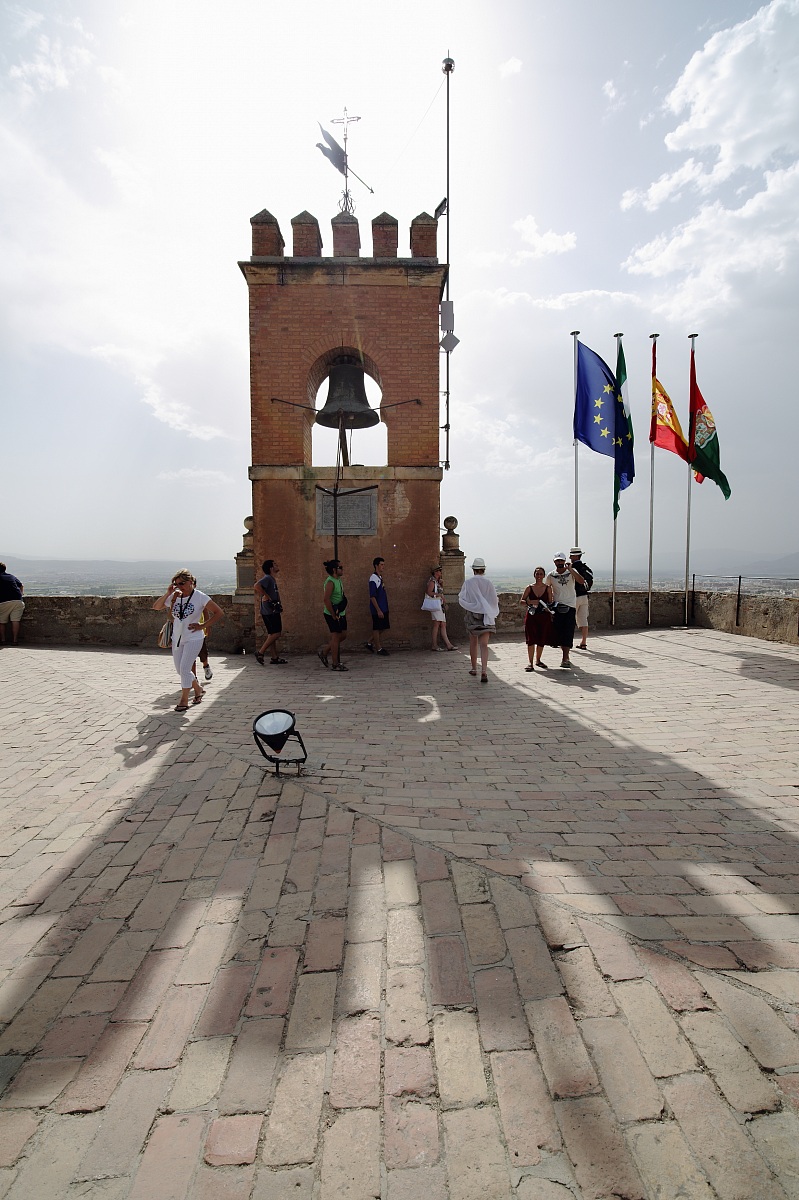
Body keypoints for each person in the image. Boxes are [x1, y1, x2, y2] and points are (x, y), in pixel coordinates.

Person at [153, 570, 225, 711]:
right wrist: (168, 593)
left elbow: (219, 612)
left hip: (194, 637)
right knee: (180, 670)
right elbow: (156, 607)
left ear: (191, 582)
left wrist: (203, 626)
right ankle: (198, 689)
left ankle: (184, 700)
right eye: (176, 584)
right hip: (177, 638)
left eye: (182, 583)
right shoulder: (175, 596)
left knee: (185, 668)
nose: (179, 586)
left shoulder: (199, 597)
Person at [458, 557, 499, 683]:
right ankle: (484, 671)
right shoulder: (488, 583)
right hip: (486, 615)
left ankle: (474, 668)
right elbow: (494, 600)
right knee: (484, 645)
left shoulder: (468, 583)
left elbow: (461, 598)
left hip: (472, 614)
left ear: (474, 569)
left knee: (473, 642)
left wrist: (472, 606)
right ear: (483, 569)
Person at [545, 553, 582, 668]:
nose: (560, 563)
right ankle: (565, 655)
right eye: (557, 561)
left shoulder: (571, 573)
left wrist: (570, 569)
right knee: (560, 633)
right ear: (554, 562)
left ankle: (565, 658)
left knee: (568, 632)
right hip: (557, 606)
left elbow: (580, 581)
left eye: (561, 561)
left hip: (570, 606)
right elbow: (547, 589)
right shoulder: (551, 575)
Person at [520, 567, 553, 670]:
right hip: (531, 616)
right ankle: (530, 663)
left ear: (544, 575)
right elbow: (521, 601)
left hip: (544, 617)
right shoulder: (529, 588)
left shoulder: (548, 588)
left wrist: (548, 608)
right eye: (537, 574)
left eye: (541, 574)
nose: (539, 576)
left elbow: (551, 603)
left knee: (541, 638)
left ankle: (538, 660)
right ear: (534, 575)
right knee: (530, 639)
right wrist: (530, 602)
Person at [254, 560, 287, 665]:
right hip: (270, 611)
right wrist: (267, 596)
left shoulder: (271, 579)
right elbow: (257, 586)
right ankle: (260, 652)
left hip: (271, 610)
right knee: (276, 633)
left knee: (272, 634)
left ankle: (274, 657)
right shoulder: (268, 578)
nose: (277, 565)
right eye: (275, 564)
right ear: (271, 568)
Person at [319, 559, 348, 671]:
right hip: (331, 613)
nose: (342, 569)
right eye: (340, 567)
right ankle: (335, 663)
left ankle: (324, 652)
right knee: (335, 637)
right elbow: (326, 600)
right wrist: (332, 615)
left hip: (341, 613)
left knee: (343, 635)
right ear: (334, 570)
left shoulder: (338, 579)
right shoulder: (330, 582)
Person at [426, 565, 456, 651]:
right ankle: (435, 645)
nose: (440, 572)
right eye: (439, 571)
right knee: (437, 624)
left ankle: (448, 644)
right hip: (436, 605)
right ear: (435, 572)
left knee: (442, 624)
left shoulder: (437, 581)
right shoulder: (432, 581)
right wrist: (439, 595)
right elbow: (429, 592)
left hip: (439, 605)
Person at [569, 546, 594, 650]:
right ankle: (583, 642)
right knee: (583, 620)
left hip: (574, 597)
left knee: (569, 620)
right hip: (584, 596)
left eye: (571, 555)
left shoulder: (571, 568)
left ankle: (567, 642)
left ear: (575, 556)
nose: (570, 557)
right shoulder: (586, 569)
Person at [365, 557, 390, 656]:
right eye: (381, 564)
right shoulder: (373, 579)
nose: (383, 566)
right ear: (376, 565)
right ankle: (379, 648)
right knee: (376, 628)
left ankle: (369, 642)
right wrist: (378, 610)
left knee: (382, 627)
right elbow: (372, 596)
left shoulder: (380, 577)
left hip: (383, 607)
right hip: (377, 609)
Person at [0, 563, 24, 646]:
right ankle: (15, 640)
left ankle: (3, 640)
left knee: (1, 622)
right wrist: (21, 594)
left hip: (3, 602)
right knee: (15, 621)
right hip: (17, 601)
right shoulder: (11, 576)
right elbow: (21, 585)